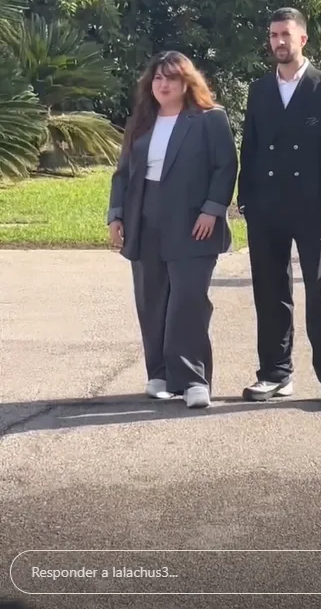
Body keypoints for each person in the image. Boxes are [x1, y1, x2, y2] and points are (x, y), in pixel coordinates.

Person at [107, 51, 238, 409]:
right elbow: (123, 173)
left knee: (188, 301)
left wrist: (212, 210)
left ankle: (194, 380)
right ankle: (160, 375)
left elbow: (225, 167)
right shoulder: (142, 121)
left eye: (171, 78)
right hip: (145, 219)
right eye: (158, 78)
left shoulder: (210, 119)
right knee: (152, 301)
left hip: (193, 222)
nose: (163, 85)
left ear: (187, 83)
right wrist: (115, 215)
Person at [237, 8, 321, 409]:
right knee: (269, 291)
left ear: (302, 39)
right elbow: (249, 147)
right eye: (273, 35)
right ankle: (274, 373)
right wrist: (244, 197)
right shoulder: (259, 89)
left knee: (318, 290)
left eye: (286, 34)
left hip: (313, 207)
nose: (278, 42)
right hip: (266, 205)